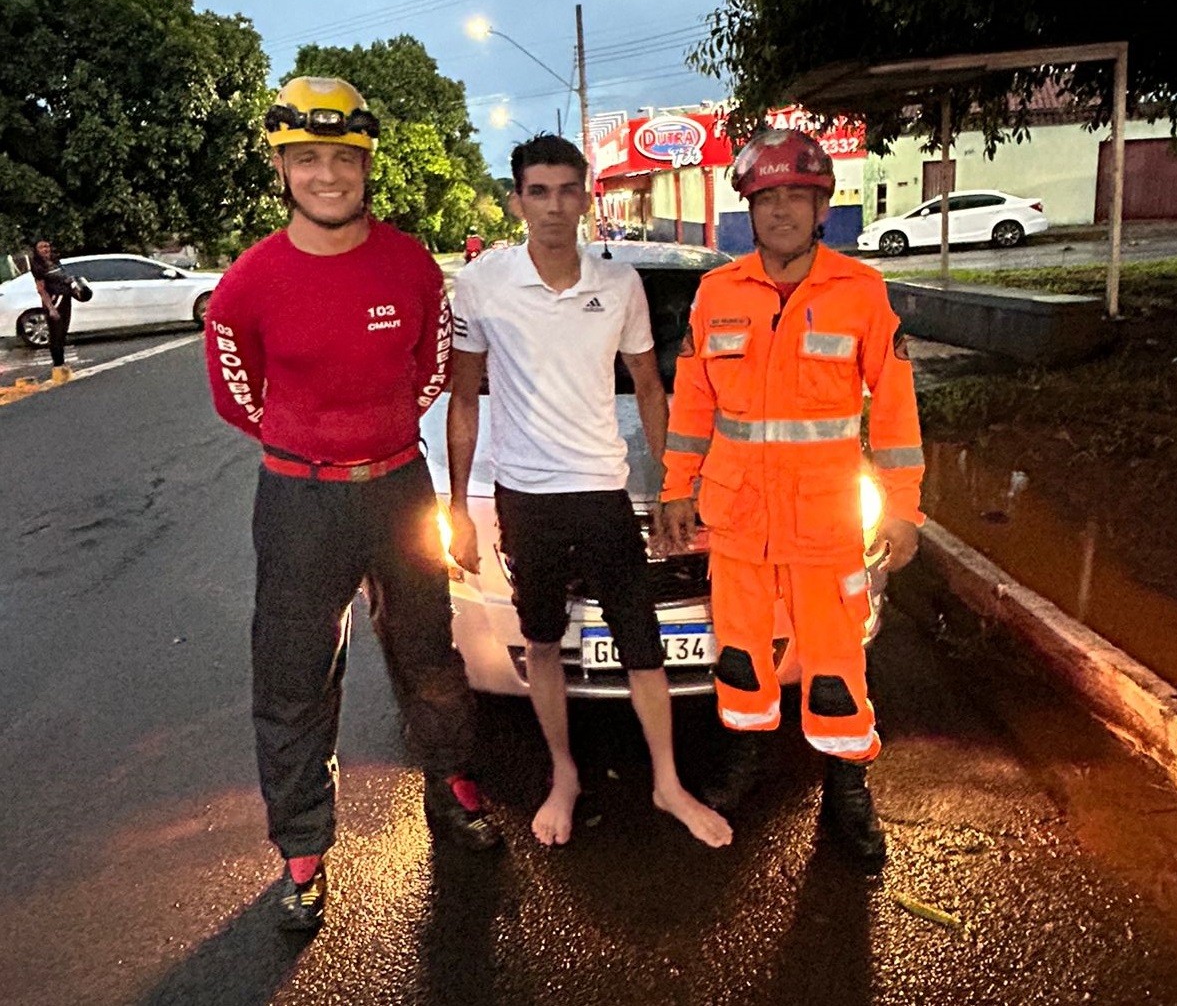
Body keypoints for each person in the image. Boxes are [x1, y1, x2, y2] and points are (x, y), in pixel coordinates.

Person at [205, 76, 499, 933]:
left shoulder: (409, 264)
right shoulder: (248, 282)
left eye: (342, 157)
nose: (326, 175)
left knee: (429, 654)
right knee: (294, 676)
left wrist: (376, 435)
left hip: (400, 488)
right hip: (298, 501)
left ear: (365, 166)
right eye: (307, 159)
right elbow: (239, 397)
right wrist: (314, 441)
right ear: (283, 170)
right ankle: (302, 848)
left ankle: (451, 785)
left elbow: (433, 369)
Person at [446, 134, 733, 850]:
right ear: (517, 200)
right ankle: (563, 774)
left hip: (603, 490)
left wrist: (672, 486)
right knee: (541, 640)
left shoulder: (618, 287)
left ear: (585, 196)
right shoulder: (481, 284)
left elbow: (648, 386)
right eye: (536, 191)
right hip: (524, 496)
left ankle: (666, 782)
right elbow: (462, 400)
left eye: (565, 190)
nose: (552, 206)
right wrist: (456, 504)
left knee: (643, 644)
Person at [657, 128, 925, 871]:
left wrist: (902, 507)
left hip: (826, 522)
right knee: (742, 659)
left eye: (794, 197)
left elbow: (895, 409)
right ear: (748, 209)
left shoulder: (858, 291)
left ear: (820, 206)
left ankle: (846, 783)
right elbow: (693, 405)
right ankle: (744, 759)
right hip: (738, 522)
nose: (779, 211)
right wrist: (676, 488)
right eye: (765, 197)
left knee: (836, 665)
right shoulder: (718, 292)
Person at [30, 239, 75, 383]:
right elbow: (41, 289)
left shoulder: (55, 262)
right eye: (41, 247)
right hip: (54, 302)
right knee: (55, 334)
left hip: (65, 298)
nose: (45, 249)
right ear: (36, 250)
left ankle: (62, 363)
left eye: (47, 246)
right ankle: (58, 365)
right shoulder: (38, 267)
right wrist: (51, 309)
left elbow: (62, 278)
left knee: (63, 332)